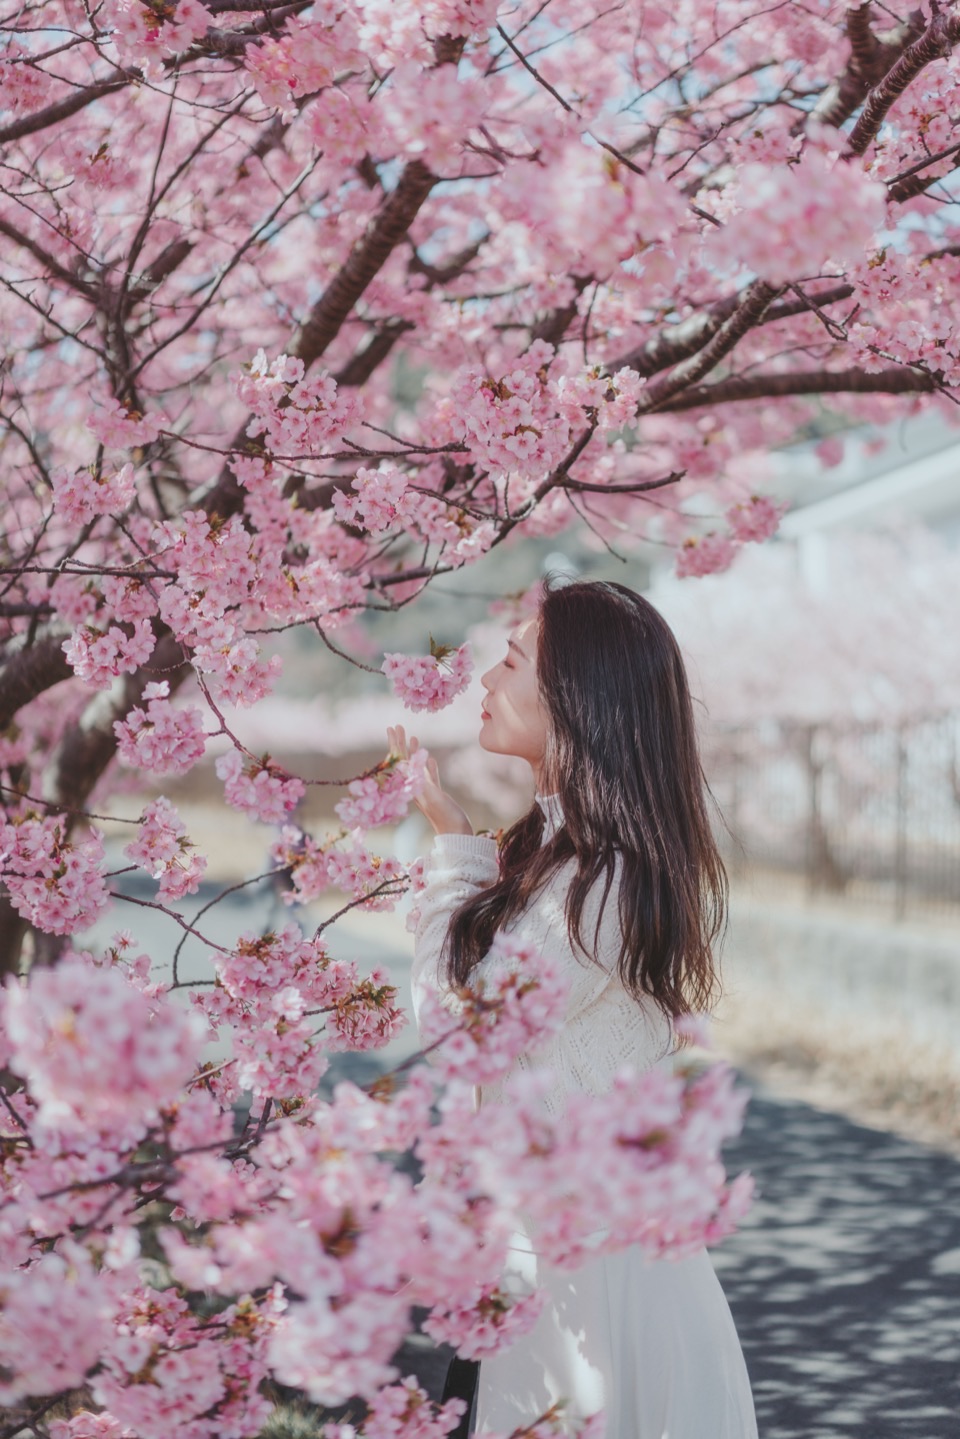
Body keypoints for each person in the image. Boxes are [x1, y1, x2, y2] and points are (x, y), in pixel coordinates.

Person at [389, 578, 758, 1439]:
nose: (485, 677)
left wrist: (451, 850)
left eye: (512, 660)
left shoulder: (607, 877)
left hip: (590, 1271)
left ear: (575, 698)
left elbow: (463, 1026)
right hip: (555, 1254)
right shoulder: (565, 856)